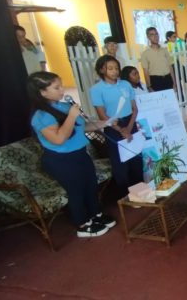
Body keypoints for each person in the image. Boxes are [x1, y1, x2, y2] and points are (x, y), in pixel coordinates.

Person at [27, 71, 115, 237]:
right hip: (61, 160)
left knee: (90, 185)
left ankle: (96, 215)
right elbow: (59, 139)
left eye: (61, 85)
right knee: (76, 190)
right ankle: (82, 224)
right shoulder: (41, 116)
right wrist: (72, 116)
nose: (62, 90)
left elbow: (82, 127)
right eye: (56, 87)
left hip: (80, 154)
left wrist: (105, 123)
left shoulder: (64, 106)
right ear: (42, 92)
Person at [90, 55, 144, 196]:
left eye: (116, 68)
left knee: (136, 158)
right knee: (120, 163)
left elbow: (135, 109)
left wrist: (129, 127)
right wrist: (120, 130)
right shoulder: (97, 89)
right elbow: (102, 116)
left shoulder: (125, 84)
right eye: (110, 68)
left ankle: (141, 192)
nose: (115, 71)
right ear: (102, 70)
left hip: (130, 123)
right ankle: (125, 195)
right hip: (112, 126)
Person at [140, 27, 176, 92]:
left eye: (156, 34)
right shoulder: (145, 54)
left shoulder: (165, 51)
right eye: (152, 35)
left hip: (168, 79)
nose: (155, 36)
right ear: (148, 37)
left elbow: (170, 67)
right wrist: (149, 86)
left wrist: (174, 83)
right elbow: (146, 72)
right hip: (156, 81)